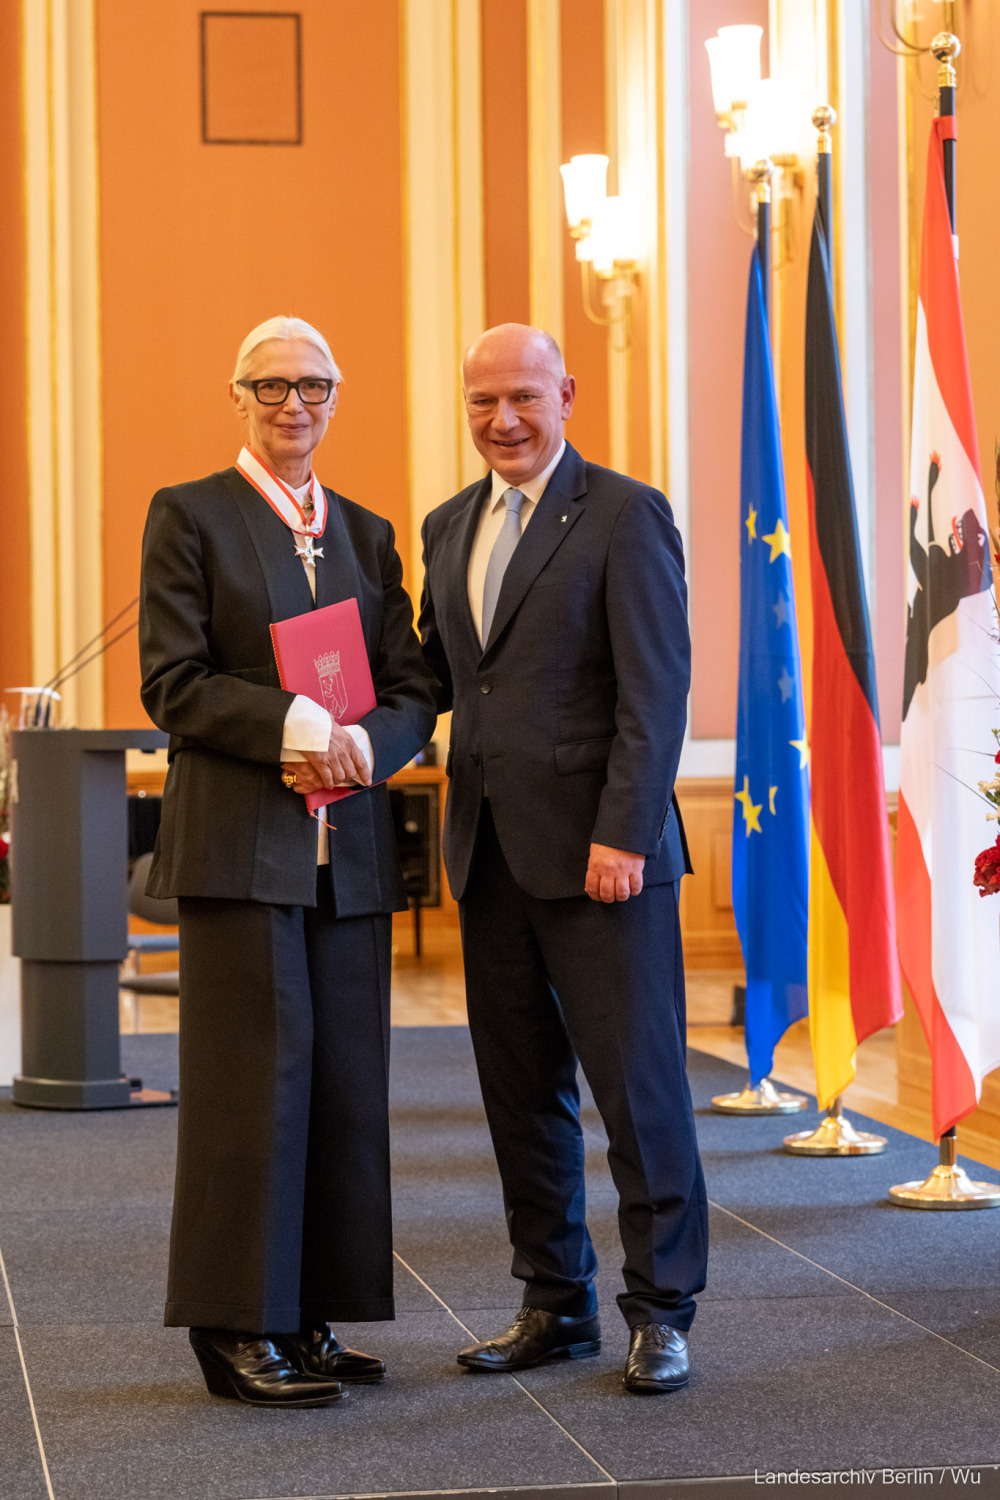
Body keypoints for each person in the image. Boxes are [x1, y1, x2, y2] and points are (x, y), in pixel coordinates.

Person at [139, 316, 436, 1407]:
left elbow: (412, 685)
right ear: (238, 395)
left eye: (311, 384)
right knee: (250, 1089)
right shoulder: (191, 516)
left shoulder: (364, 533)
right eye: (269, 385)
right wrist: (296, 726)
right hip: (243, 848)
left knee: (343, 1090)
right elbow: (171, 683)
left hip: (344, 853)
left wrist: (373, 742)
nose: (291, 404)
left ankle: (308, 1318)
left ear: (335, 396)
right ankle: (233, 1327)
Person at [418, 323, 707, 1394]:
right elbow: (438, 681)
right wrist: (324, 714)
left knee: (638, 1094)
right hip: (488, 860)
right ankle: (554, 1300)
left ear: (565, 395)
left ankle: (662, 1309)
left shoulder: (625, 515)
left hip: (603, 864)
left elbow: (655, 691)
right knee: (520, 1095)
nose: (503, 420)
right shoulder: (448, 528)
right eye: (483, 400)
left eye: (523, 399)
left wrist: (623, 833)